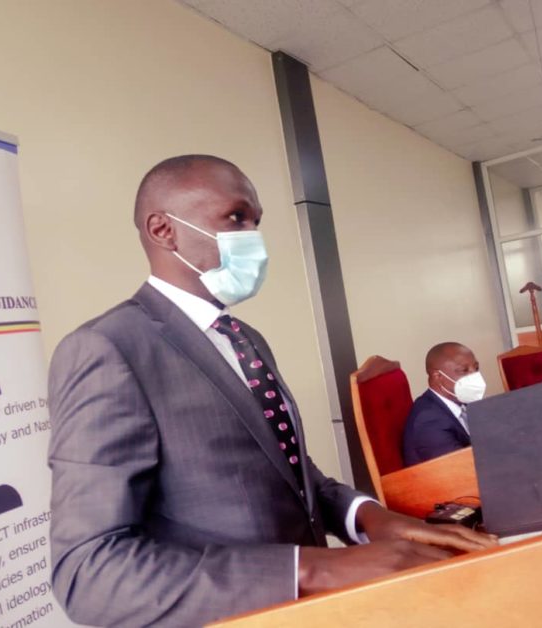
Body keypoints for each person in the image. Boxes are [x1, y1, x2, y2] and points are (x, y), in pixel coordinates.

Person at [47, 155, 497, 627]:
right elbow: (88, 574)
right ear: (163, 230)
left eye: (256, 222)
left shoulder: (245, 339)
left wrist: (368, 517)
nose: (254, 237)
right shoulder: (108, 348)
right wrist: (312, 569)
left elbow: (292, 473)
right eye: (236, 217)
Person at [402, 342, 485, 466]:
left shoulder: (462, 400)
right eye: (464, 370)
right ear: (438, 376)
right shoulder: (428, 421)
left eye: (476, 368)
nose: (474, 376)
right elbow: (462, 467)